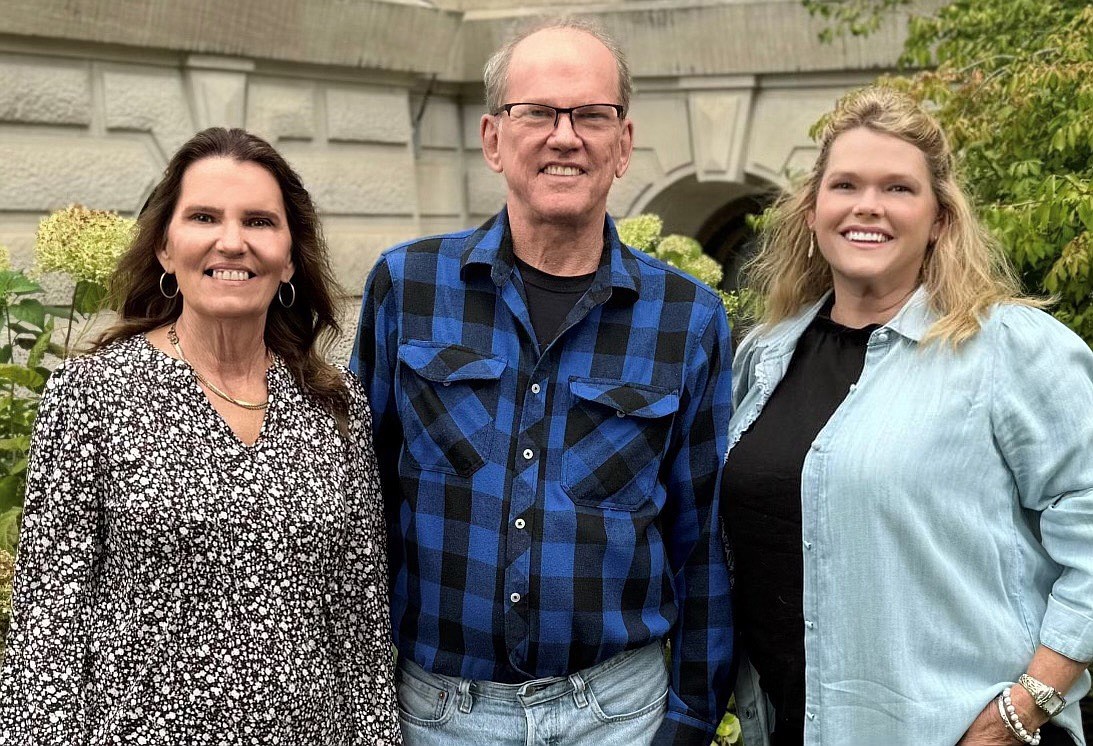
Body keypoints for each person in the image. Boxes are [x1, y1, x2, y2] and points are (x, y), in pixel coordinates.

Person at [351, 17, 734, 746]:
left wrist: (689, 718)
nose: (565, 136)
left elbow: (704, 535)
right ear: (494, 139)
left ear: (622, 145)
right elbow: (358, 501)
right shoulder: (408, 286)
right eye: (538, 113)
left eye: (591, 115)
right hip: (438, 715)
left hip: (617, 715)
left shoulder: (687, 317)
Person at [0, 128, 401, 744]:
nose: (232, 242)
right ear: (165, 247)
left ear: (290, 256)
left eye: (260, 221)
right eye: (205, 217)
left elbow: (360, 621)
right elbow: (46, 625)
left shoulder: (334, 404)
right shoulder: (93, 394)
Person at [724, 86, 1093, 745]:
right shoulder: (764, 357)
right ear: (812, 212)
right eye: (845, 186)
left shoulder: (1007, 349)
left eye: (897, 188)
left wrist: (1023, 708)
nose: (868, 206)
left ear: (940, 219)